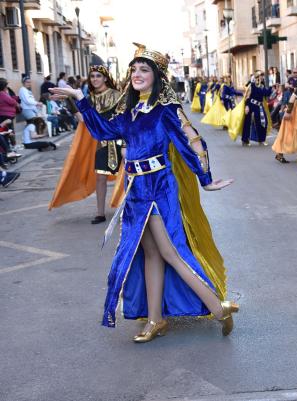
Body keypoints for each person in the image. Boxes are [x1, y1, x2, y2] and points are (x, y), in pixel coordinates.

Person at [50, 43, 238, 342]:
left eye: (144, 70)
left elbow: (191, 141)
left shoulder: (165, 110)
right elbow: (102, 131)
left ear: (157, 76)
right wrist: (79, 98)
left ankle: (218, 308)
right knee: (150, 253)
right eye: (134, 70)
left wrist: (206, 178)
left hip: (158, 186)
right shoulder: (130, 111)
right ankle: (155, 320)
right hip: (135, 188)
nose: (137, 74)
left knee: (170, 252)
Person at [49, 65, 124, 225]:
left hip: (123, 141)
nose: (95, 79)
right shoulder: (89, 98)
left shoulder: (118, 96)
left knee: (128, 177)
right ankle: (100, 213)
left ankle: (131, 209)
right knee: (100, 178)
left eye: (98, 76)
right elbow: (84, 120)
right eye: (92, 76)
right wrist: (70, 101)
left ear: (105, 78)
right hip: (103, 143)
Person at [237, 71, 272, 146]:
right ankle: (245, 140)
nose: (262, 77)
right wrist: (246, 106)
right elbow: (247, 97)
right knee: (248, 123)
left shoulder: (262, 86)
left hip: (260, 107)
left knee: (263, 122)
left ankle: (261, 140)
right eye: (261, 76)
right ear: (257, 77)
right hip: (251, 106)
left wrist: (272, 88)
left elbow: (266, 93)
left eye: (262, 76)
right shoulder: (251, 86)